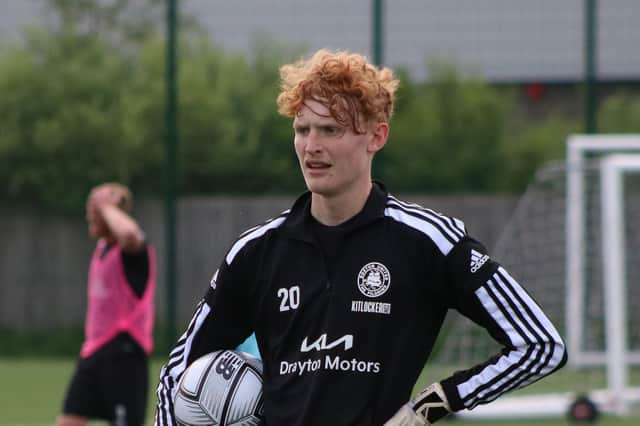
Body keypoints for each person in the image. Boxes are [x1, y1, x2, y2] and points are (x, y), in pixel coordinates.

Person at [155, 49, 567, 426]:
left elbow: (540, 344)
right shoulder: (257, 251)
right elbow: (176, 374)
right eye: (303, 129)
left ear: (376, 137)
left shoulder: (428, 242)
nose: (311, 146)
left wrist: (431, 405)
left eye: (331, 130)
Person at [58, 183, 156, 426]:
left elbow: (130, 235)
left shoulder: (134, 252)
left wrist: (107, 205)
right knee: (68, 420)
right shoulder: (103, 248)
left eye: (96, 209)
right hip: (94, 352)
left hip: (124, 355)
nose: (90, 213)